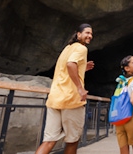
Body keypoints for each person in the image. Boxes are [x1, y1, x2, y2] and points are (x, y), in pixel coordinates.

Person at [35, 23, 95, 154]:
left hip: (55, 99)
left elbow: (65, 68)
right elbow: (70, 64)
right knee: (72, 140)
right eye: (87, 33)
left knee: (49, 141)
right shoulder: (81, 48)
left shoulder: (68, 48)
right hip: (71, 100)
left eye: (91, 33)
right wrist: (80, 88)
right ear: (78, 34)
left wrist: (82, 68)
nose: (90, 36)